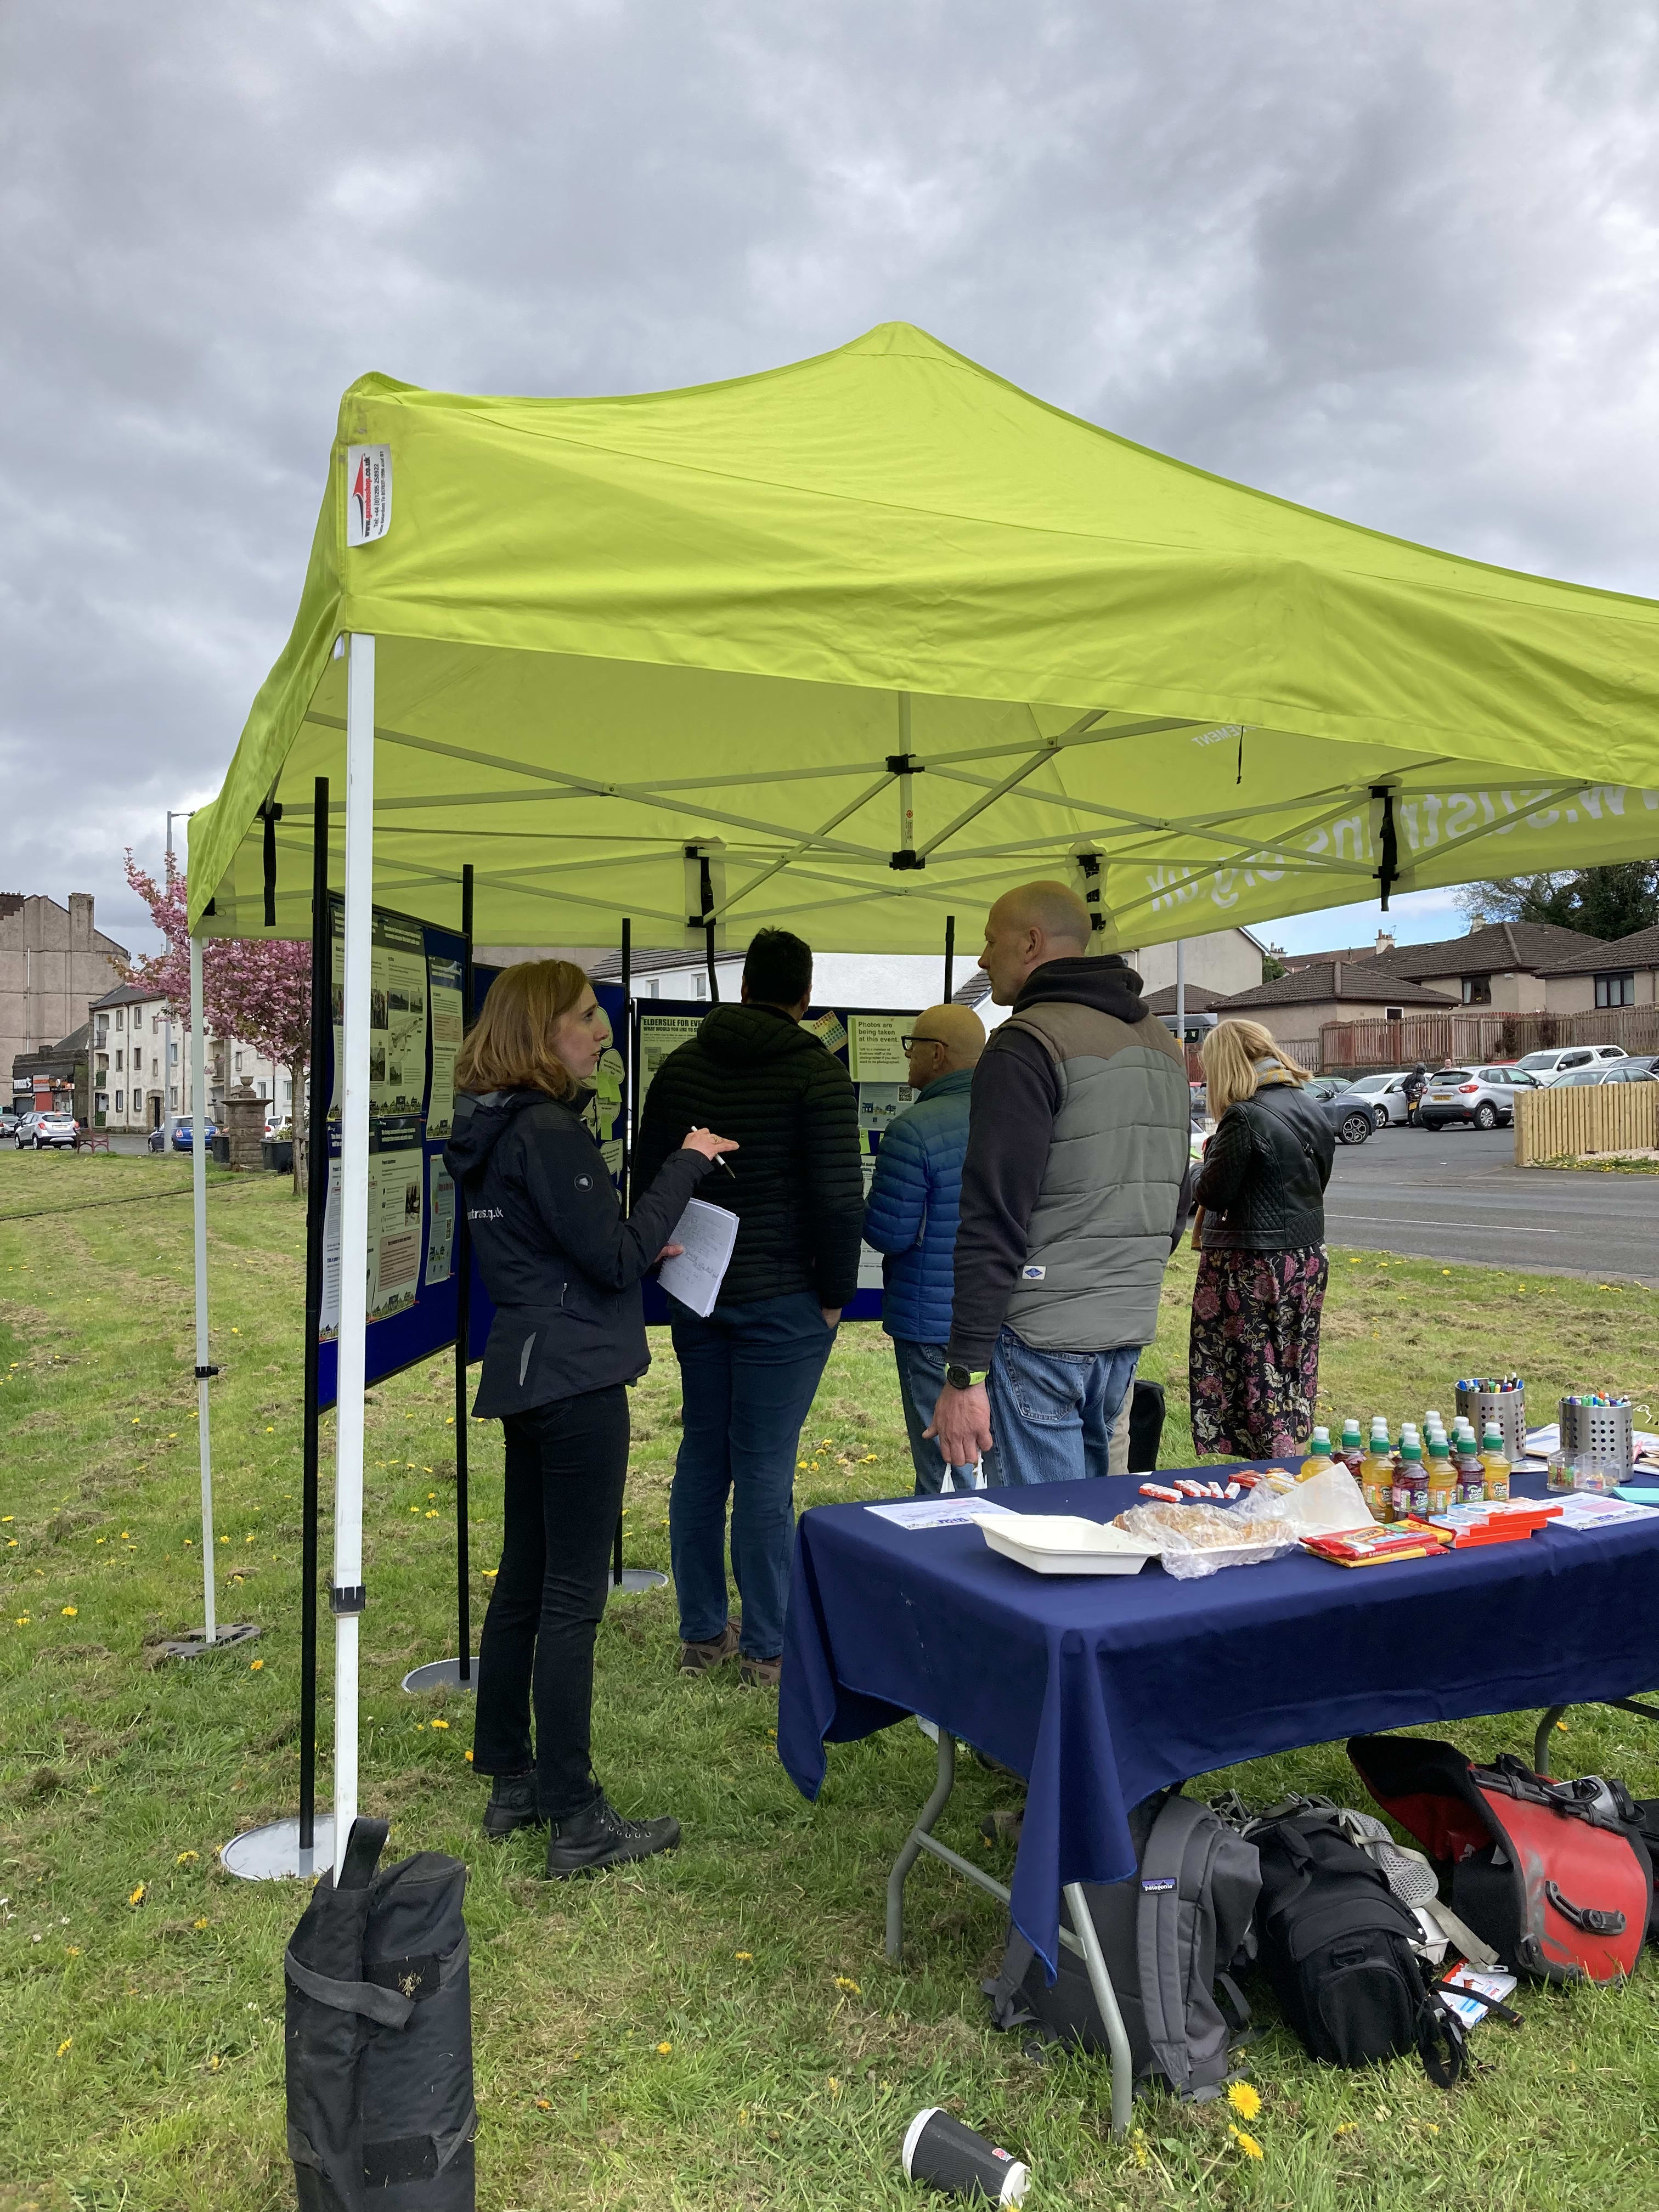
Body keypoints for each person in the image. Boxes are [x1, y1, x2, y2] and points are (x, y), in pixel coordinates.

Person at [444, 960, 736, 1877]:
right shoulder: (547, 1129)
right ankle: (575, 1814)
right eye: (584, 1017)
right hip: (574, 1379)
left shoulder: (487, 1127)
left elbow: (564, 1249)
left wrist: (642, 1239)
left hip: (528, 1369)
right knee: (570, 1594)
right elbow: (611, 1257)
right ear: (540, 1032)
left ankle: (510, 1779)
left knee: (523, 1582)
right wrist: (686, 1162)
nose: (602, 1031)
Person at [635, 928, 864, 1687]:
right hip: (785, 1300)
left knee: (703, 1455)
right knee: (765, 1470)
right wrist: (835, 1298)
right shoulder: (818, 1076)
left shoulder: (679, 1068)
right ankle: (770, 1647)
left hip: (698, 1290)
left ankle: (703, 1634)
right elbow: (838, 1201)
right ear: (805, 995)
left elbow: (649, 1176)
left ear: (742, 989)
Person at [929, 882, 1189, 1486]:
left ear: (1031, 943)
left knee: (1049, 1542)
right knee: (1096, 1526)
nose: (980, 958)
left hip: (1039, 1338)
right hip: (1123, 1330)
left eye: (990, 941)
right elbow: (1177, 1195)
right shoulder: (1163, 1046)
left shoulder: (1026, 1044)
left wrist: (964, 1373)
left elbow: (993, 1215)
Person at [861, 1003, 998, 1493]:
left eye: (912, 1046)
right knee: (997, 1458)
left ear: (937, 1054)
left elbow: (889, 1234)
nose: (907, 1058)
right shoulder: (1014, 1117)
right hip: (1003, 1318)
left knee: (946, 1462)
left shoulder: (912, 1130)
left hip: (930, 1322)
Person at [1188, 1018, 1333, 1458]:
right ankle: (1293, 1455)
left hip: (1250, 1262)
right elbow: (1315, 1179)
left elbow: (1212, 1192)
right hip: (1304, 1257)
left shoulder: (1243, 1115)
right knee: (1291, 1363)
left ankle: (1273, 1470)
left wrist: (1198, 1164)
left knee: (1255, 1369)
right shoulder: (1308, 1104)